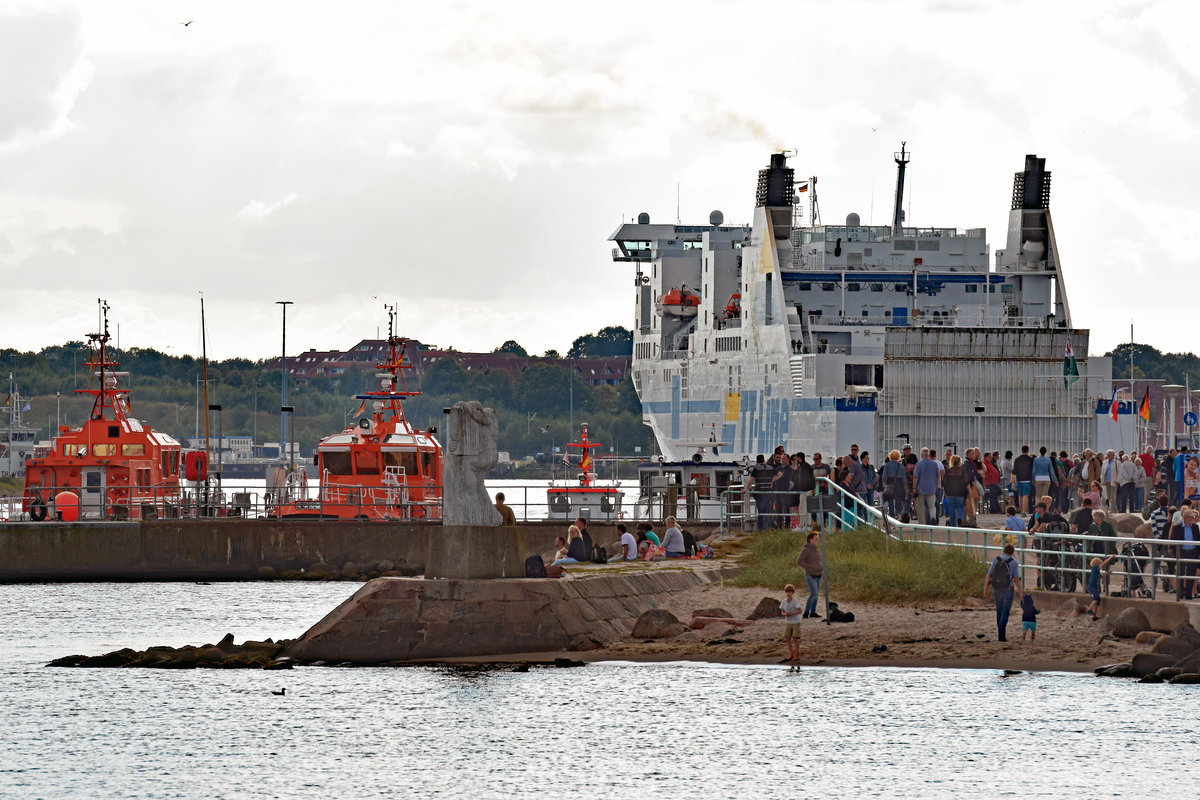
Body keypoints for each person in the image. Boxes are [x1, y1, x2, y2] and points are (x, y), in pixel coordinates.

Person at [984, 543, 1021, 642]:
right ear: (1012, 553)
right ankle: (1001, 634)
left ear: (1003, 551)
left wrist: (985, 588)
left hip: (996, 589)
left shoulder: (996, 560)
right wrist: (1021, 593)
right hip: (1008, 589)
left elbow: (989, 575)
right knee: (1005, 612)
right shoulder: (1014, 563)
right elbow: (1016, 579)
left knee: (999, 612)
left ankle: (1001, 633)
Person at [1168, 508, 1200, 599]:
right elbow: (1173, 539)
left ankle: (1188, 594)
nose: (1192, 519)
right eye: (1191, 517)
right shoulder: (1177, 527)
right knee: (1181, 573)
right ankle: (1181, 592)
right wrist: (1172, 549)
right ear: (1186, 518)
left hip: (1193, 552)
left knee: (1191, 573)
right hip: (1182, 552)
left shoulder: (1195, 527)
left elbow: (1198, 539)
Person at [796, 531, 823, 618]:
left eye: (818, 539)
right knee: (813, 593)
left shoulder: (817, 550)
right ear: (810, 540)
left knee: (816, 594)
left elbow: (818, 561)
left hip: (819, 574)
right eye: (816, 539)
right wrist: (810, 567)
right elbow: (799, 561)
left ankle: (813, 612)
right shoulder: (806, 550)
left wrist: (820, 566)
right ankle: (806, 612)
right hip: (811, 575)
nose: (817, 541)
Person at [913, 448, 942, 525]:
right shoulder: (934, 464)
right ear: (928, 455)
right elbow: (937, 477)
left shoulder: (919, 464)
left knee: (920, 507)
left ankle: (922, 523)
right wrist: (936, 486)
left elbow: (915, 477)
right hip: (931, 488)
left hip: (921, 489)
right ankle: (933, 517)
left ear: (922, 455)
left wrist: (914, 487)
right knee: (932, 506)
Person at [942, 455, 968, 528]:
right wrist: (968, 491)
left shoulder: (948, 471)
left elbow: (944, 482)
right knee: (960, 507)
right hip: (961, 492)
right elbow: (966, 482)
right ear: (959, 462)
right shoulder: (963, 471)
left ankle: (953, 524)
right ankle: (959, 518)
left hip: (950, 492)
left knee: (951, 508)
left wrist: (946, 491)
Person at [780, 583, 803, 662]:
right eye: (787, 592)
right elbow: (782, 612)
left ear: (792, 593)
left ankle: (797, 654)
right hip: (788, 621)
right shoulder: (784, 601)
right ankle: (791, 654)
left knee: (795, 638)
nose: (788, 593)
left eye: (790, 592)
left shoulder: (795, 601)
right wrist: (785, 614)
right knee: (788, 638)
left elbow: (800, 611)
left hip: (796, 621)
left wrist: (792, 614)